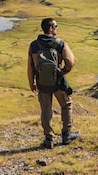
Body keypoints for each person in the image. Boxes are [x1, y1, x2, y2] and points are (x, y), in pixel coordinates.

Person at [27, 18, 80, 149]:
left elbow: (30, 66)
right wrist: (62, 72)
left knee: (46, 109)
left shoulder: (34, 45)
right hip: (58, 82)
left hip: (42, 83)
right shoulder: (60, 44)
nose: (57, 28)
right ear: (50, 28)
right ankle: (66, 134)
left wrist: (32, 83)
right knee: (66, 105)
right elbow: (71, 62)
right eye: (56, 26)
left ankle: (48, 139)